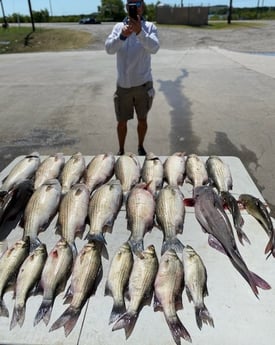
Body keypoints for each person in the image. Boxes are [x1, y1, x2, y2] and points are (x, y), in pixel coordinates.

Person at [105, 0, 160, 156]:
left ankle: (140, 146)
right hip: (123, 85)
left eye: (137, 3)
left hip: (143, 84)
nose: (133, 6)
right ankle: (121, 150)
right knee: (121, 121)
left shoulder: (149, 27)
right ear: (126, 7)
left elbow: (154, 48)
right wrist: (122, 36)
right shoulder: (118, 28)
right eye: (130, 3)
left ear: (142, 7)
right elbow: (109, 49)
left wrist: (140, 33)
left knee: (142, 119)